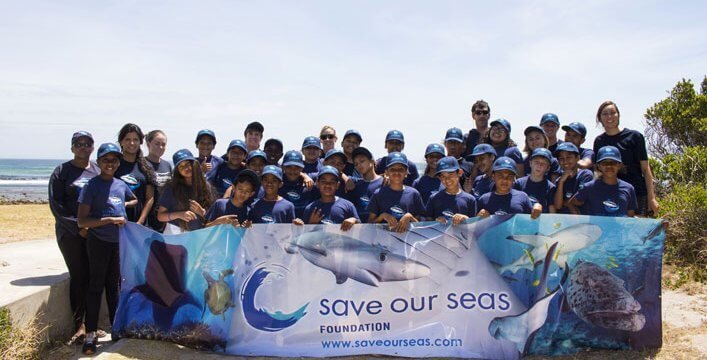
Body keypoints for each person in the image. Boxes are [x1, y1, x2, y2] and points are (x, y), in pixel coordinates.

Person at [76, 143, 137, 355]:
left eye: (114, 160)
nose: (110, 164)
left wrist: (122, 206)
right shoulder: (91, 186)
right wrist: (110, 218)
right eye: (106, 160)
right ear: (99, 162)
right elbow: (82, 221)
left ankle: (116, 328)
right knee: (95, 286)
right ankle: (91, 333)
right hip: (98, 242)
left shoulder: (120, 185)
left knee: (114, 286)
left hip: (118, 243)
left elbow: (133, 198)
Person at [48, 131, 101, 345]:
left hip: (95, 233)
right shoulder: (62, 171)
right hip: (70, 234)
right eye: (78, 144)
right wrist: (78, 227)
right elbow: (56, 205)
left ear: (92, 147)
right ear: (72, 147)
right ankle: (79, 325)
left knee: (94, 278)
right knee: (79, 276)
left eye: (87, 143)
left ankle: (92, 324)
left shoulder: (98, 169)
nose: (83, 147)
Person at [593, 100, 658, 216]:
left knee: (636, 232)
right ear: (600, 118)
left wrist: (651, 198)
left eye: (613, 113)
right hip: (610, 195)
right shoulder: (599, 141)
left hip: (637, 194)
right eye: (605, 114)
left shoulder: (635, 137)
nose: (609, 116)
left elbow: (646, 170)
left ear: (618, 115)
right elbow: (598, 172)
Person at [156, 149, 215, 233]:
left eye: (188, 164)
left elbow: (213, 217)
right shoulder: (171, 188)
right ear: (178, 171)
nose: (186, 168)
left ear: (194, 164)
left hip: (198, 235)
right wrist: (180, 214)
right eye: (181, 167)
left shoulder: (206, 186)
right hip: (175, 234)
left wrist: (202, 212)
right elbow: (160, 216)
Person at [569, 146, 637, 217]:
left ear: (619, 165)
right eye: (604, 163)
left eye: (613, 163)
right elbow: (571, 203)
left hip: (619, 228)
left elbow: (630, 215)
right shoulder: (589, 187)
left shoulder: (629, 188)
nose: (609, 166)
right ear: (599, 166)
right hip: (595, 228)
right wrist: (579, 219)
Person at [368, 152, 425, 232]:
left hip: (408, 242)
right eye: (392, 169)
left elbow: (422, 226)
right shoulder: (378, 194)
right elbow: (369, 224)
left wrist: (410, 217)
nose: (396, 172)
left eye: (401, 169)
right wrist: (382, 216)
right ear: (386, 172)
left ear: (406, 173)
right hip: (384, 242)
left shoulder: (414, 194)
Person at [115, 123, 156, 226]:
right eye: (127, 139)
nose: (132, 143)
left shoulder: (146, 167)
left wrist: (140, 222)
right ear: (121, 142)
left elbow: (149, 198)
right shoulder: (113, 165)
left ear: (140, 142)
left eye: (135, 139)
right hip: (115, 222)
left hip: (139, 225)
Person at [476, 157, 541, 218]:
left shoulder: (523, 197)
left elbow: (532, 221)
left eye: (509, 177)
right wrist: (479, 217)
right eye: (500, 176)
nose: (505, 180)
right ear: (493, 177)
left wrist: (537, 208)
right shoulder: (484, 200)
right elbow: (476, 226)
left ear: (514, 179)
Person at [301, 166, 360, 230]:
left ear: (337, 185)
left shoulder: (348, 205)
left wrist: (354, 220)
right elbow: (304, 236)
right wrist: (311, 224)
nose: (328, 185)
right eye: (323, 181)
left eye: (332, 182)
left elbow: (360, 228)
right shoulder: (310, 208)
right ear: (317, 184)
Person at [425, 156, 477, 225]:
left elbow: (475, 226)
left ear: (460, 173)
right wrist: (436, 221)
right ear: (439, 178)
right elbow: (427, 222)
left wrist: (465, 218)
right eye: (443, 176)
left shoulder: (470, 199)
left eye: (451, 174)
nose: (447, 179)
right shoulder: (433, 198)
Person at [553, 142, 594, 214]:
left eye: (569, 157)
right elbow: (558, 206)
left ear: (577, 158)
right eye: (561, 158)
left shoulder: (585, 175)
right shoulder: (559, 180)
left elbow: (580, 200)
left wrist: (567, 203)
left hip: (583, 219)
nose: (565, 161)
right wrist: (561, 182)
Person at [346, 147, 384, 223]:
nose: (359, 165)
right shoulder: (356, 185)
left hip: (380, 231)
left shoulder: (385, 182)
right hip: (359, 231)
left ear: (372, 161)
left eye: (362, 161)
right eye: (356, 164)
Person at [513, 148, 557, 213]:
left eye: (543, 163)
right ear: (530, 163)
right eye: (536, 162)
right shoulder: (519, 183)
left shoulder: (550, 187)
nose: (539, 165)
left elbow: (552, 210)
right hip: (522, 221)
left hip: (541, 221)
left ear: (548, 168)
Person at [145, 130, 172, 232]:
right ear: (148, 144)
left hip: (163, 218)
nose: (160, 147)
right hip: (147, 219)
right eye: (157, 144)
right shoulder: (142, 163)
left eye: (163, 144)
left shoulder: (167, 165)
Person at [279, 150, 316, 219]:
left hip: (306, 227)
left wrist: (304, 175)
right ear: (283, 167)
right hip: (283, 227)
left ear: (302, 168)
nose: (293, 170)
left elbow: (332, 172)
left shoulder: (308, 183)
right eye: (289, 167)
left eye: (297, 167)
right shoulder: (277, 183)